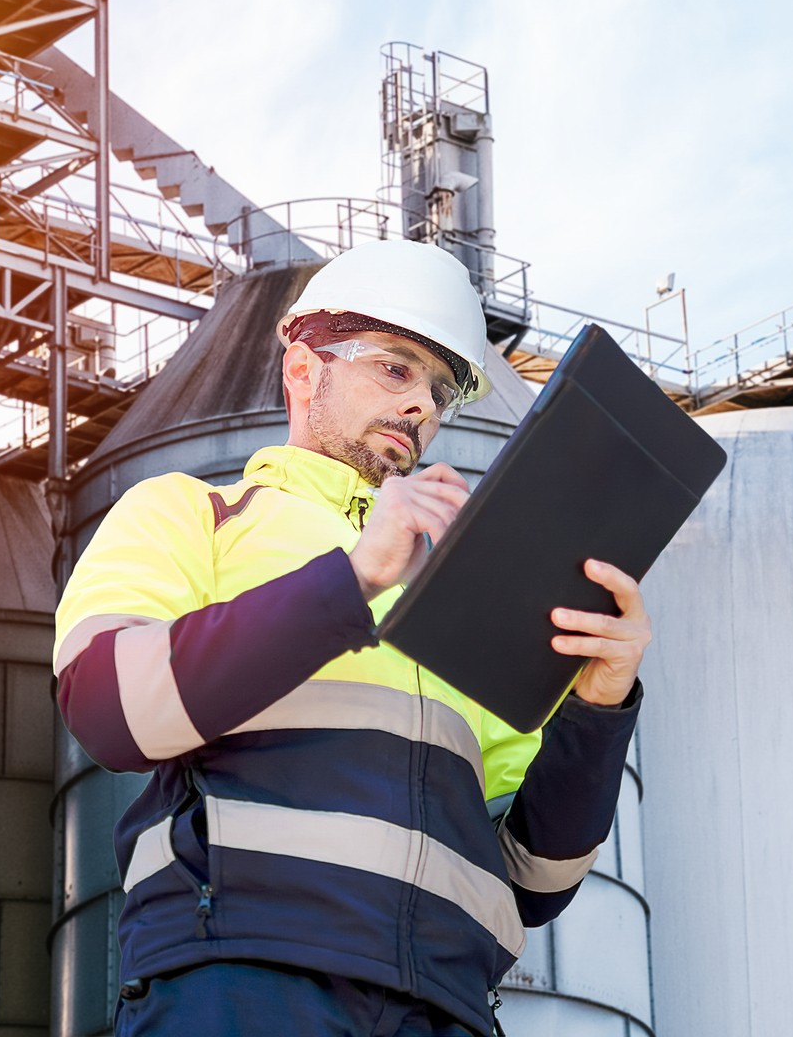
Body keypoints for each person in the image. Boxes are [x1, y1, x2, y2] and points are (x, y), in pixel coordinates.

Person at [51, 239, 650, 1036]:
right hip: (241, 982)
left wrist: (599, 711)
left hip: (444, 1010)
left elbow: (535, 880)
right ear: (304, 370)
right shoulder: (191, 512)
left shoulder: (463, 597)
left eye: (441, 390)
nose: (422, 407)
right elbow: (110, 707)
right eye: (396, 368)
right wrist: (351, 580)